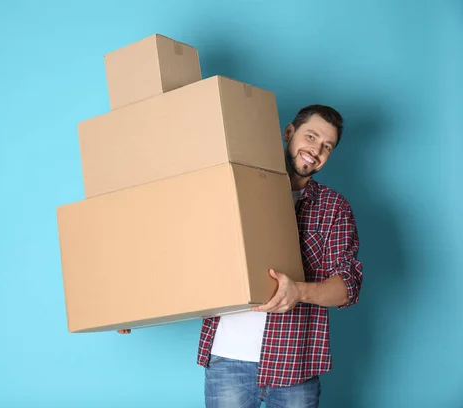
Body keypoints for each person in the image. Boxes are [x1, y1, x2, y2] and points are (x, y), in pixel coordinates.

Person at [119, 105, 364, 408]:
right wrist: (133, 306)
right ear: (289, 133)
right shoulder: (232, 187)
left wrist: (299, 291)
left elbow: (348, 286)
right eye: (310, 136)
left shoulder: (334, 208)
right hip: (228, 362)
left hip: (294, 367)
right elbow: (187, 251)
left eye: (327, 146)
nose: (315, 150)